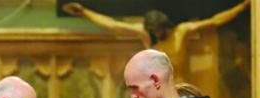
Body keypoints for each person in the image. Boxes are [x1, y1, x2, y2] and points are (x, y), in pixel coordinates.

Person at [63, 1, 251, 81]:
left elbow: (214, 21)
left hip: (178, 88)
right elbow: (114, 26)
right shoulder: (146, 36)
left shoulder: (181, 32)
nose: (155, 33)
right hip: (156, 90)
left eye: (157, 30)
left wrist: (242, 7)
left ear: (165, 26)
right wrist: (84, 12)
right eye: (152, 30)